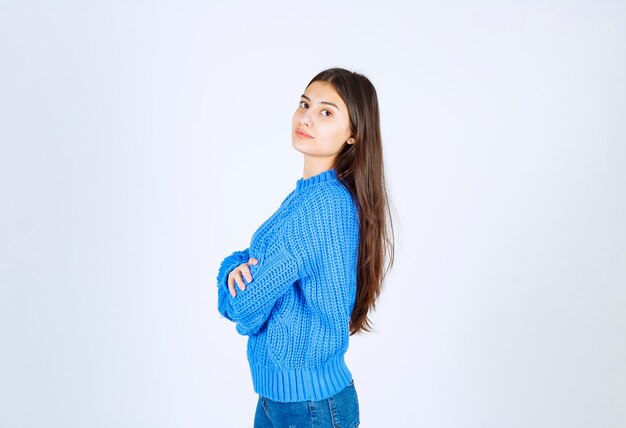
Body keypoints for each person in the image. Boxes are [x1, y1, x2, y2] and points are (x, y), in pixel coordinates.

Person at [216, 67, 395, 427]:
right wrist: (237, 266)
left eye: (326, 112)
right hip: (286, 400)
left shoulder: (320, 208)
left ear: (353, 135)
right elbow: (254, 265)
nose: (306, 118)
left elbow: (244, 307)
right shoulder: (312, 196)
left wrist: (230, 275)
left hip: (308, 408)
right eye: (305, 104)